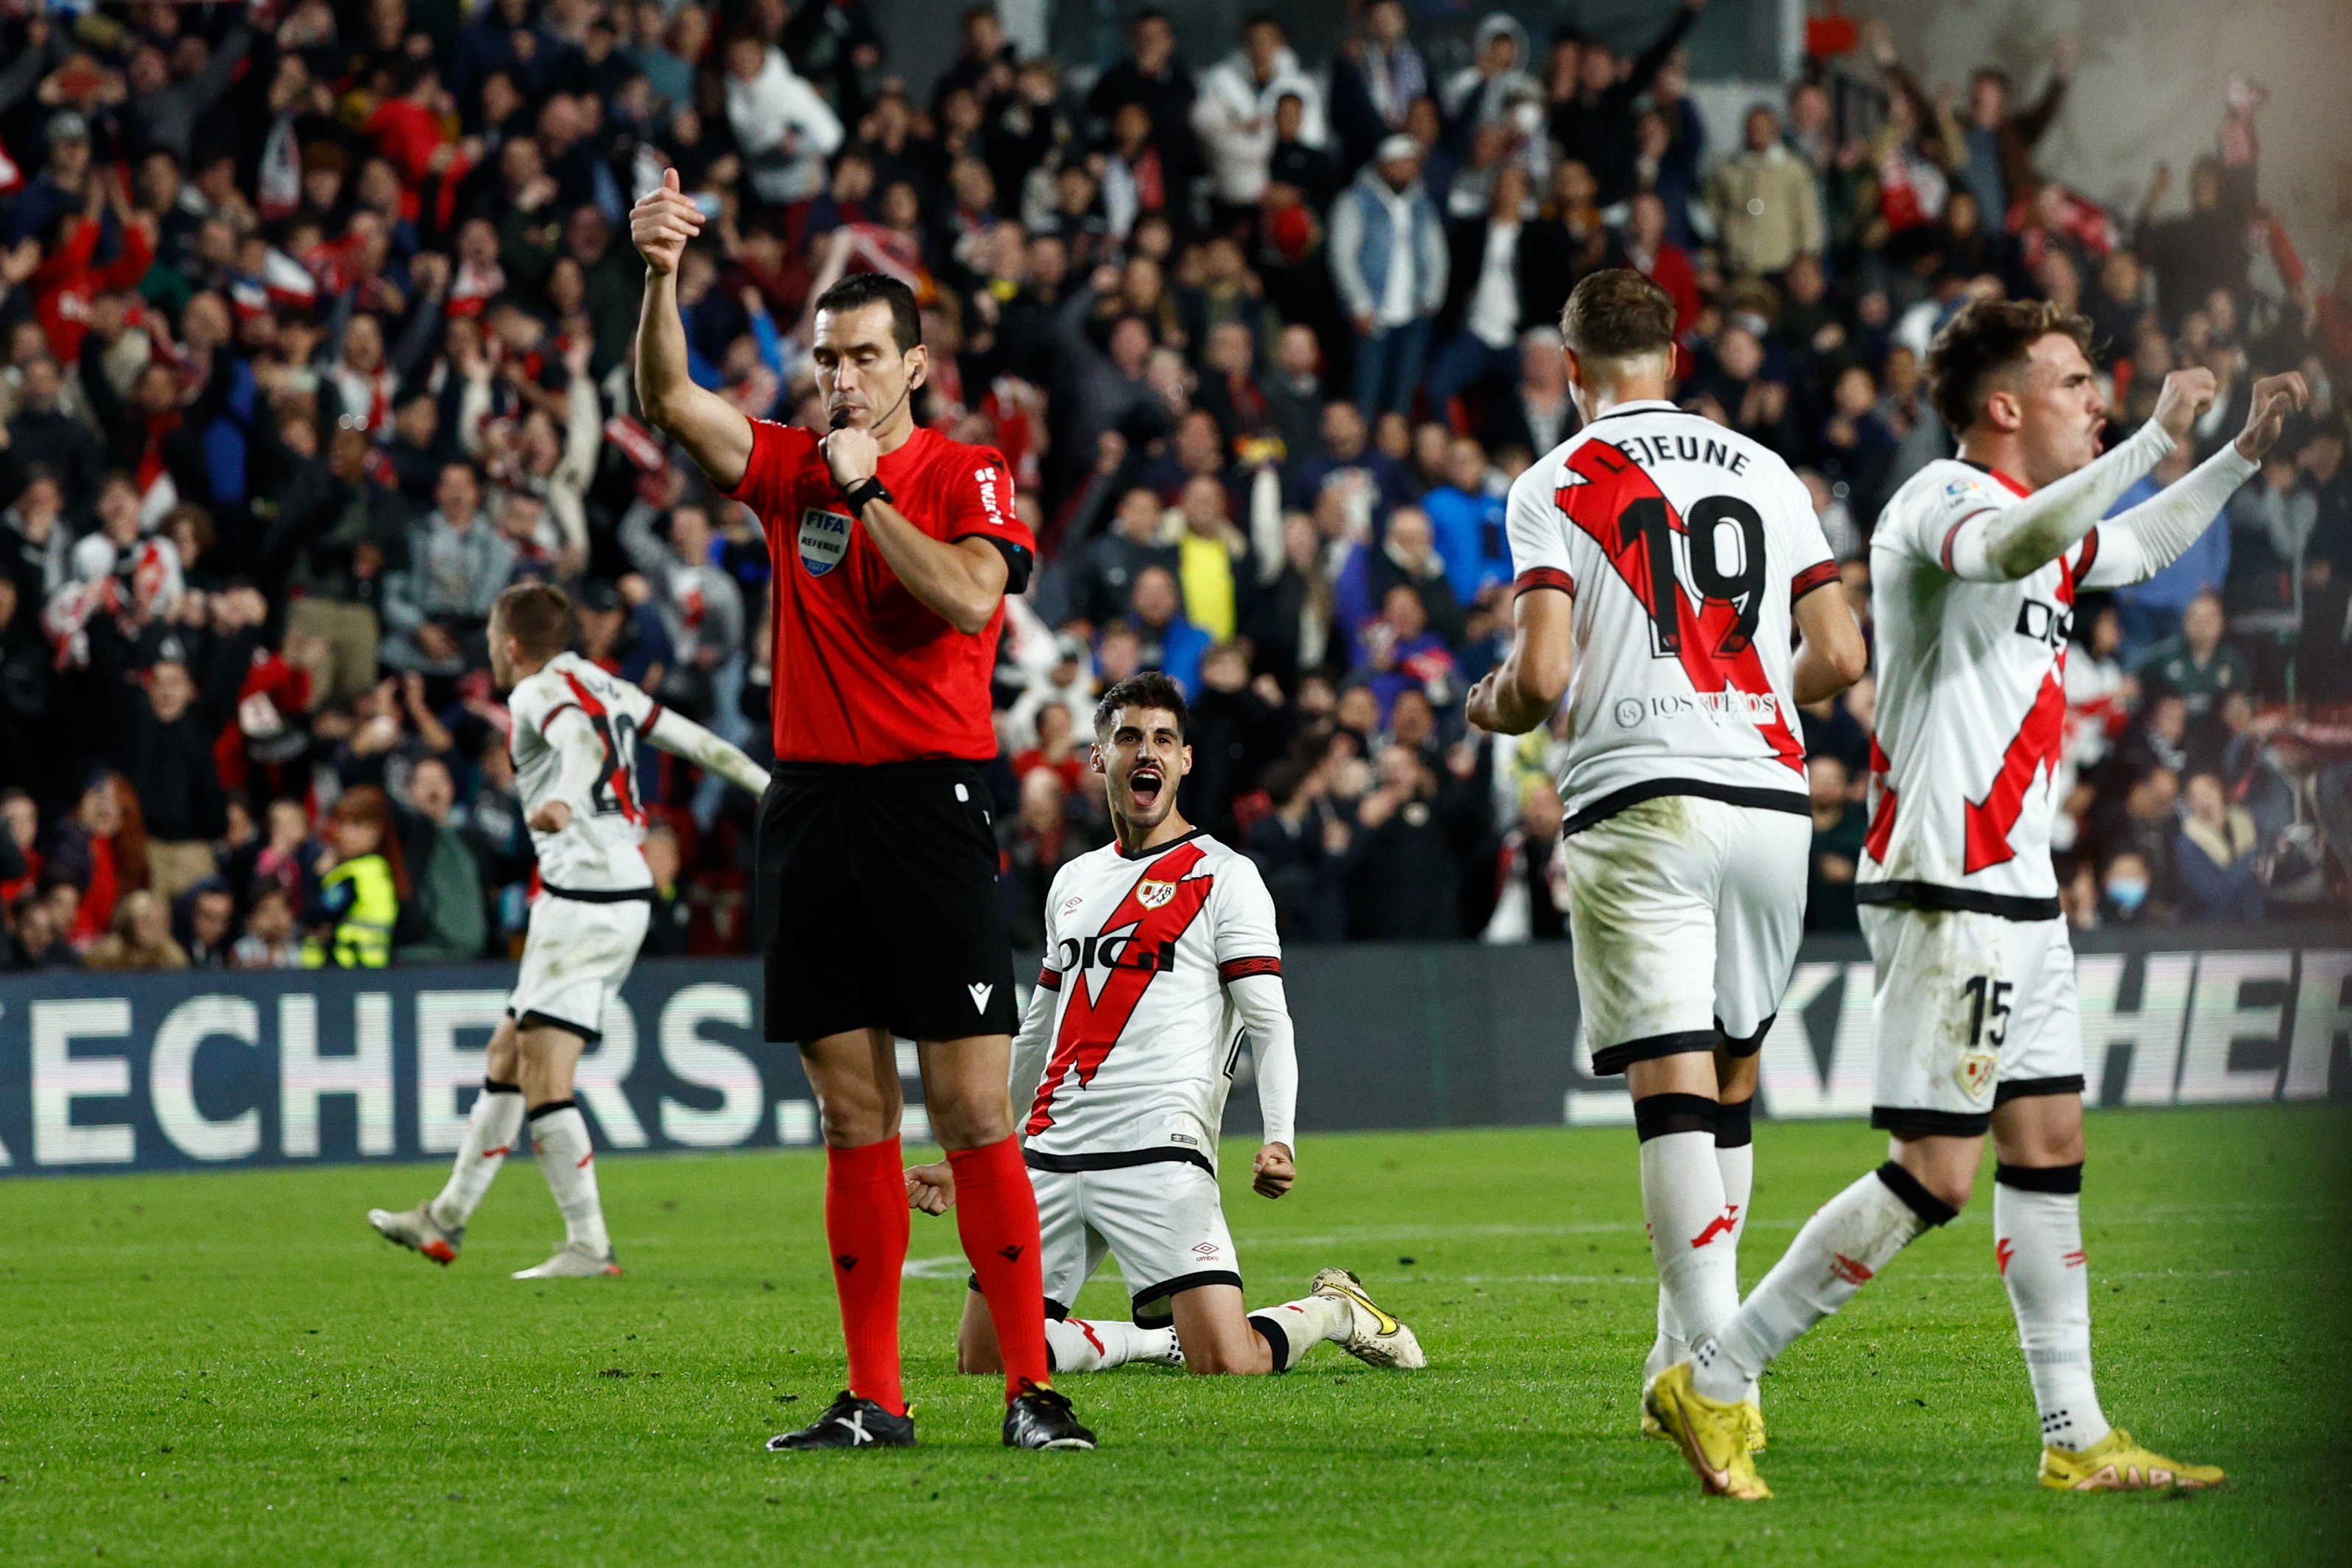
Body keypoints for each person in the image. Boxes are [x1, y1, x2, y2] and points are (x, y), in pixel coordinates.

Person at [1656, 298, 2305, 1498]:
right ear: (2001, 405)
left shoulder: (2048, 524)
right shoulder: (1942, 503)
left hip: (2019, 889)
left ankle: (2072, 1431)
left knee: (2047, 1146)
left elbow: (2137, 543)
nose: (2092, 398)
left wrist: (2237, 452)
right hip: (1943, 883)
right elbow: (2015, 547)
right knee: (1935, 1174)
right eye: (2069, 383)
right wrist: (2155, 434)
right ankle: (1717, 1366)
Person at [628, 174, 1089, 1453]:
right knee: (850, 1110)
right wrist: (661, 276)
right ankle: (872, 1395)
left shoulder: (962, 470)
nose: (839, 375)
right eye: (824, 357)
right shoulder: (785, 470)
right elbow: (668, 398)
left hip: (927, 800)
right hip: (812, 806)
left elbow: (962, 602)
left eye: (862, 356)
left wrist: (867, 489)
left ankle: (1029, 1390)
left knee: (971, 1108)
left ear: (914, 365)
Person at [1464, 270, 1866, 1486]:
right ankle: (1670, 1354)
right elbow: (1838, 652)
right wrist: (1734, 693)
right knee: (1732, 1072)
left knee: (1671, 1083)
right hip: (1768, 799)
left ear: (1571, 368)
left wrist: (1491, 703)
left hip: (1642, 797)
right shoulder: (1764, 472)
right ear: (1676, 359)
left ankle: (1713, 1372)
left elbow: (1539, 673)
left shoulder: (1552, 483)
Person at [908, 673, 1422, 1379]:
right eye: (1127, 737)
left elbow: (1269, 1022)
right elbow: (1037, 1033)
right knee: (986, 1358)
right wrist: (973, 1156)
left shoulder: (1224, 875)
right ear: (1098, 757)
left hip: (1158, 1148)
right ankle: (1155, 1340)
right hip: (1052, 1152)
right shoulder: (1075, 880)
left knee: (1228, 1362)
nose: (1144, 751)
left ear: (1184, 760)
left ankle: (1335, 1310)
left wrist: (1280, 1136)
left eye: (1162, 739)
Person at [368, 581, 770, 1279]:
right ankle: (445, 1216)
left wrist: (559, 795)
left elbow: (577, 744)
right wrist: (772, 791)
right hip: (617, 893)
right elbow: (700, 742)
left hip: (580, 900)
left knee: (544, 1072)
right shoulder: (603, 682)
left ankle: (587, 1241)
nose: (491, 653)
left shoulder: (530, 694)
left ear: (512, 645)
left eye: (492, 642)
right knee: (506, 1055)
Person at [303, 787, 410, 970]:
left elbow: (316, 912)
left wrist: (317, 875)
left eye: (354, 825)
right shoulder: (380, 869)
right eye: (342, 823)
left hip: (348, 971)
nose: (343, 832)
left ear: (374, 831)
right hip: (368, 969)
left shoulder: (357, 875)